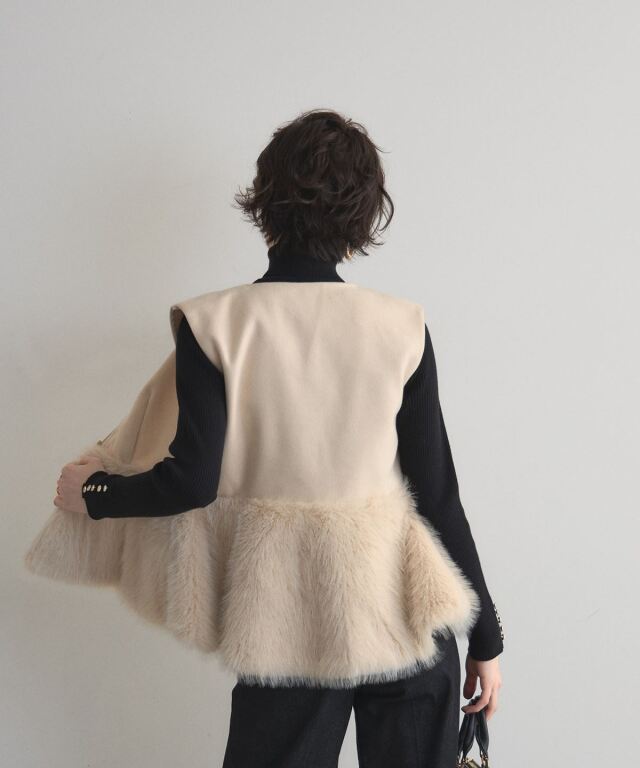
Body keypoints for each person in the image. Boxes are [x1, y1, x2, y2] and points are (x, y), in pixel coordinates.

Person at [53, 109, 504, 768]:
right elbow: (438, 496)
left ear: (265, 204)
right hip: (408, 618)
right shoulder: (400, 326)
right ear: (364, 217)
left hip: (290, 623)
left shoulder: (214, 323)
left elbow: (190, 481)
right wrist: (487, 638)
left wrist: (94, 493)